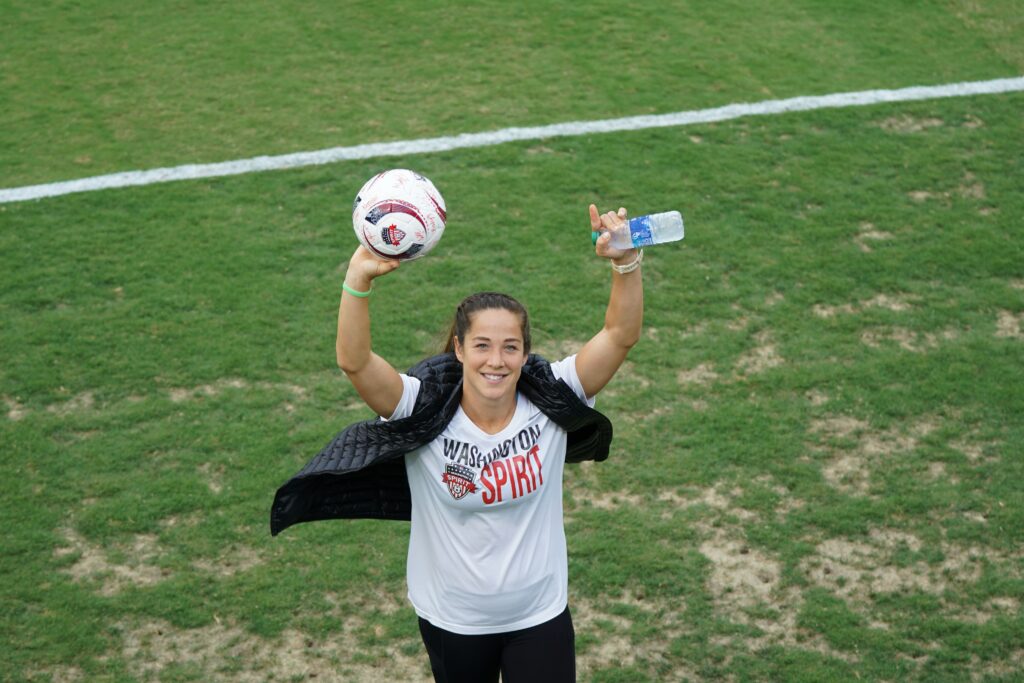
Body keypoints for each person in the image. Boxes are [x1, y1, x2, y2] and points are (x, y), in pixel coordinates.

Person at [270, 203, 644, 683]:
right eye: (483, 345)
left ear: (525, 352)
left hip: (539, 615)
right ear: (460, 349)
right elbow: (356, 362)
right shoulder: (423, 407)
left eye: (511, 346)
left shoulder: (551, 397)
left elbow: (619, 335)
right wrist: (357, 280)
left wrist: (625, 264)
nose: (497, 360)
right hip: (453, 621)